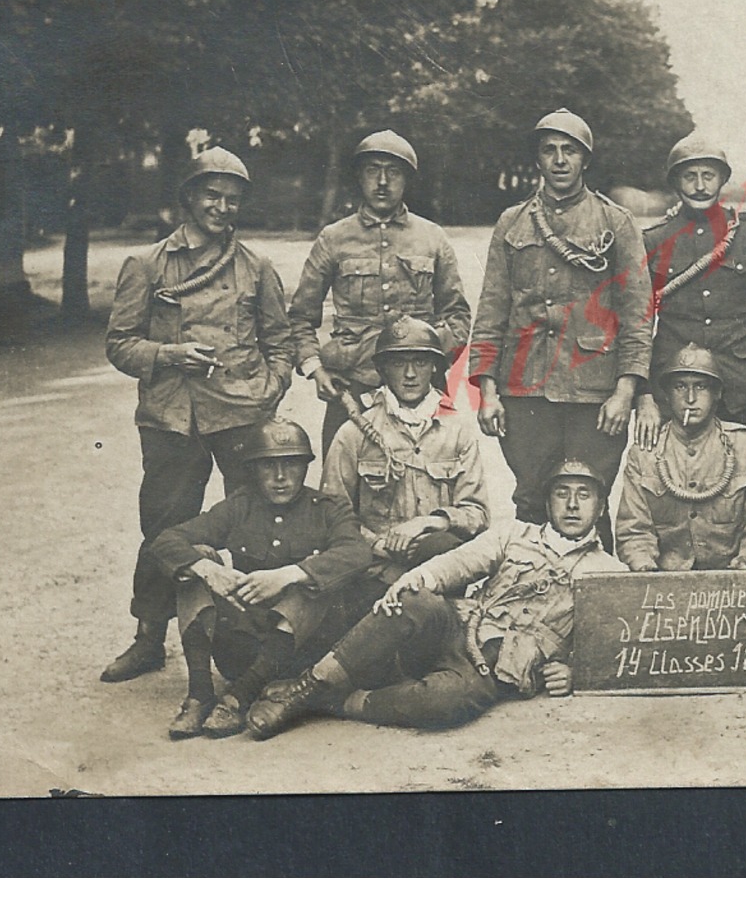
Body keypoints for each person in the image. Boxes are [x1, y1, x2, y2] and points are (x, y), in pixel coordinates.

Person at [245, 461, 627, 738]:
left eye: (584, 495)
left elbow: (618, 648)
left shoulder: (610, 573)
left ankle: (330, 702)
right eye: (562, 494)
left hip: (495, 670)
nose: (572, 505)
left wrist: (577, 673)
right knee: (416, 599)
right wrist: (413, 581)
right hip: (456, 629)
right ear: (548, 503)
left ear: (600, 506)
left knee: (447, 704)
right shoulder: (515, 533)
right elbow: (457, 563)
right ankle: (305, 689)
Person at [101, 147, 294, 683]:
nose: (222, 207)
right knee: (165, 528)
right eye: (212, 195)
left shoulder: (256, 266)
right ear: (189, 197)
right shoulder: (147, 265)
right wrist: (169, 355)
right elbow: (119, 345)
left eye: (233, 199)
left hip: (241, 416)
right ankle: (148, 638)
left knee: (254, 521)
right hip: (172, 416)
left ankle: (263, 635)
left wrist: (268, 392)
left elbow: (281, 343)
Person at [467, 108, 652, 545]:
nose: (559, 160)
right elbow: (491, 310)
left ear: (585, 159)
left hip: (595, 392)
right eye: (549, 150)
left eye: (570, 150)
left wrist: (626, 391)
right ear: (537, 159)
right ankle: (526, 597)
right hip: (524, 388)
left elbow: (638, 314)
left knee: (590, 501)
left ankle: (593, 600)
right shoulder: (512, 222)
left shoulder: (615, 223)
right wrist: (488, 393)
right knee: (532, 501)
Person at [148, 419, 371, 738]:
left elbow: (357, 552)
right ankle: (199, 694)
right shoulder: (239, 507)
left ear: (305, 467)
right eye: (269, 466)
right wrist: (211, 571)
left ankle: (240, 696)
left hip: (299, 654)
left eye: (291, 464)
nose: (280, 478)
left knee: (313, 579)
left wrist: (290, 574)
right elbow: (166, 540)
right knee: (195, 559)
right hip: (241, 645)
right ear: (253, 469)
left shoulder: (326, 509)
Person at [288, 129, 472, 453]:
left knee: (430, 477)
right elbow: (300, 317)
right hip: (354, 385)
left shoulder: (432, 238)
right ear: (359, 176)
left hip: (421, 388)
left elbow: (457, 315)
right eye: (373, 170)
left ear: (407, 180)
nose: (383, 181)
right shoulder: (334, 238)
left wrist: (429, 358)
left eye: (394, 172)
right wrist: (314, 368)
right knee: (343, 485)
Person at [319, 316, 489, 612]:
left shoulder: (457, 430)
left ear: (435, 368)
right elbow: (331, 512)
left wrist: (428, 523)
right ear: (382, 369)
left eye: (421, 363)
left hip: (436, 570)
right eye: (399, 364)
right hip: (374, 570)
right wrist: (379, 545)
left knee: (443, 546)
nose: (410, 374)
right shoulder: (354, 432)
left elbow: (477, 512)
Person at [635, 133, 746, 440]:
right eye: (690, 176)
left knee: (736, 468)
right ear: (676, 181)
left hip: (738, 384)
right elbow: (637, 323)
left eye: (709, 176)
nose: (700, 186)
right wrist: (644, 391)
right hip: (674, 382)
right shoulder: (655, 240)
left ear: (722, 180)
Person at [614, 345, 746, 572]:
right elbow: (633, 530)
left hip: (732, 579)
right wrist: (644, 567)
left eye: (700, 387)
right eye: (680, 387)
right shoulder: (645, 452)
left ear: (716, 393)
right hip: (664, 583)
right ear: (668, 395)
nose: (690, 398)